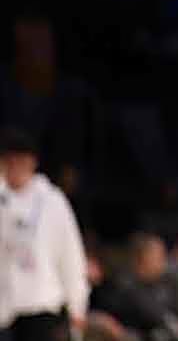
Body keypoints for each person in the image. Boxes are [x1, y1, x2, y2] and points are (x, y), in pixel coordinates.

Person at [0, 127, 89, 341]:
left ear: (33, 162)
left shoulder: (52, 201)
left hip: (41, 305)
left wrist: (77, 303)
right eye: (10, 161)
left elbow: (70, 253)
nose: (16, 168)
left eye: (21, 161)